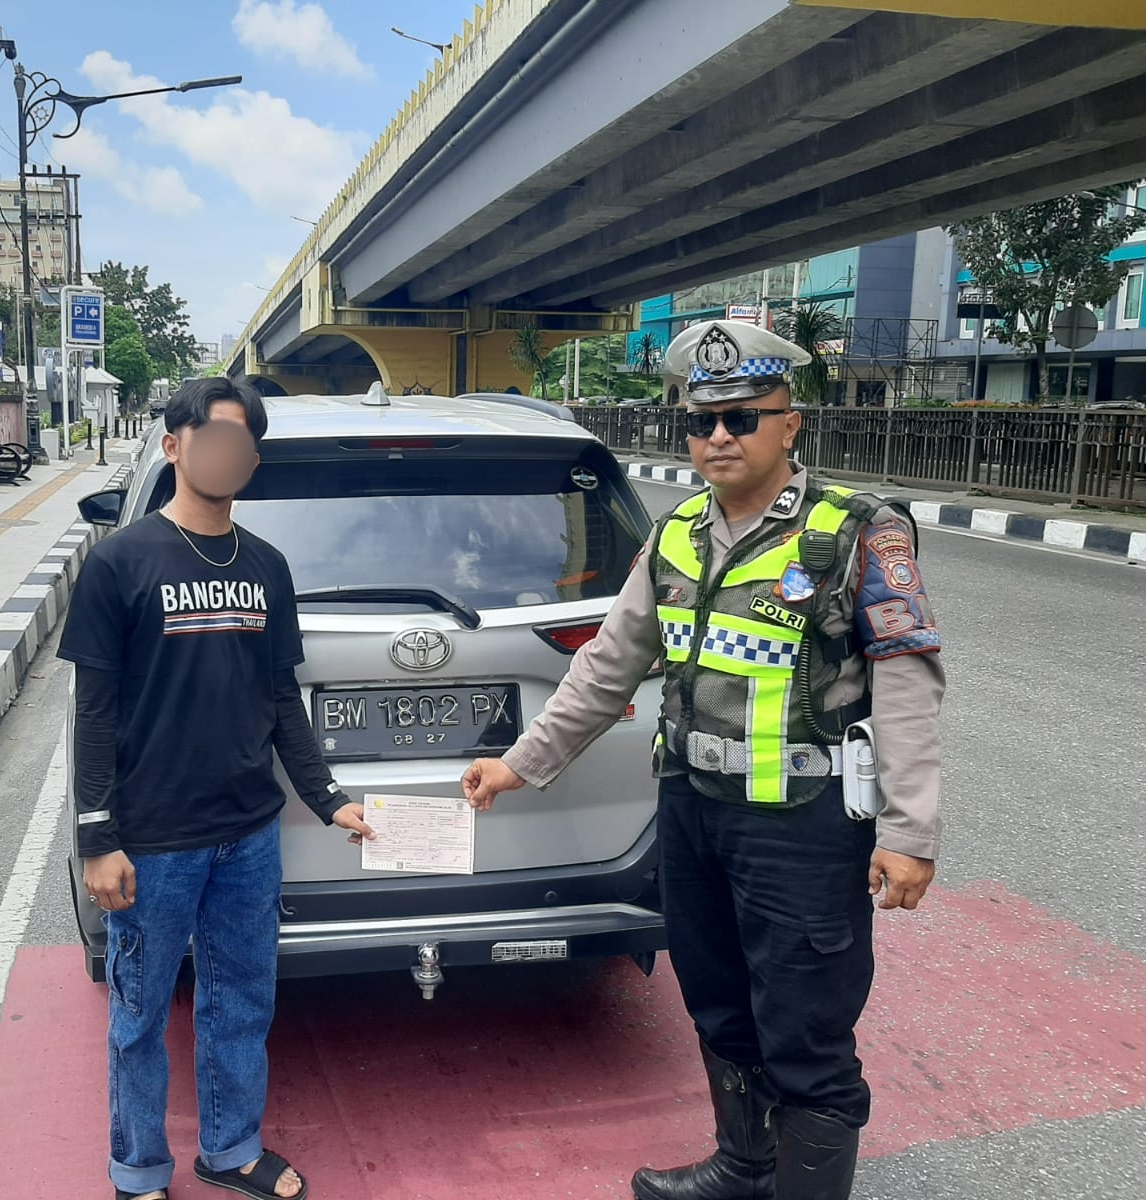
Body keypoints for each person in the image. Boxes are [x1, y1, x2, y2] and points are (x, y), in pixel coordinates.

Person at [462, 321, 945, 1200]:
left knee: (805, 1032)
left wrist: (910, 832)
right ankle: (745, 1165)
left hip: (801, 830)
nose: (719, 436)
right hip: (692, 816)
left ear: (789, 424)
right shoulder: (678, 533)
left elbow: (908, 687)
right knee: (718, 1005)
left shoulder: (858, 534)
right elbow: (608, 665)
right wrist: (520, 764)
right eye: (702, 421)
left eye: (744, 417)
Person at [58, 376, 374, 1200]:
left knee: (241, 1002)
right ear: (175, 446)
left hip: (248, 836)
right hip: (153, 840)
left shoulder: (267, 568)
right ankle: (139, 1171)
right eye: (215, 437)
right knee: (140, 1014)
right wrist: (97, 835)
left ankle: (230, 1150)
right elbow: (95, 712)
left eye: (244, 442)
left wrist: (328, 798)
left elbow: (281, 702)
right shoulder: (119, 563)